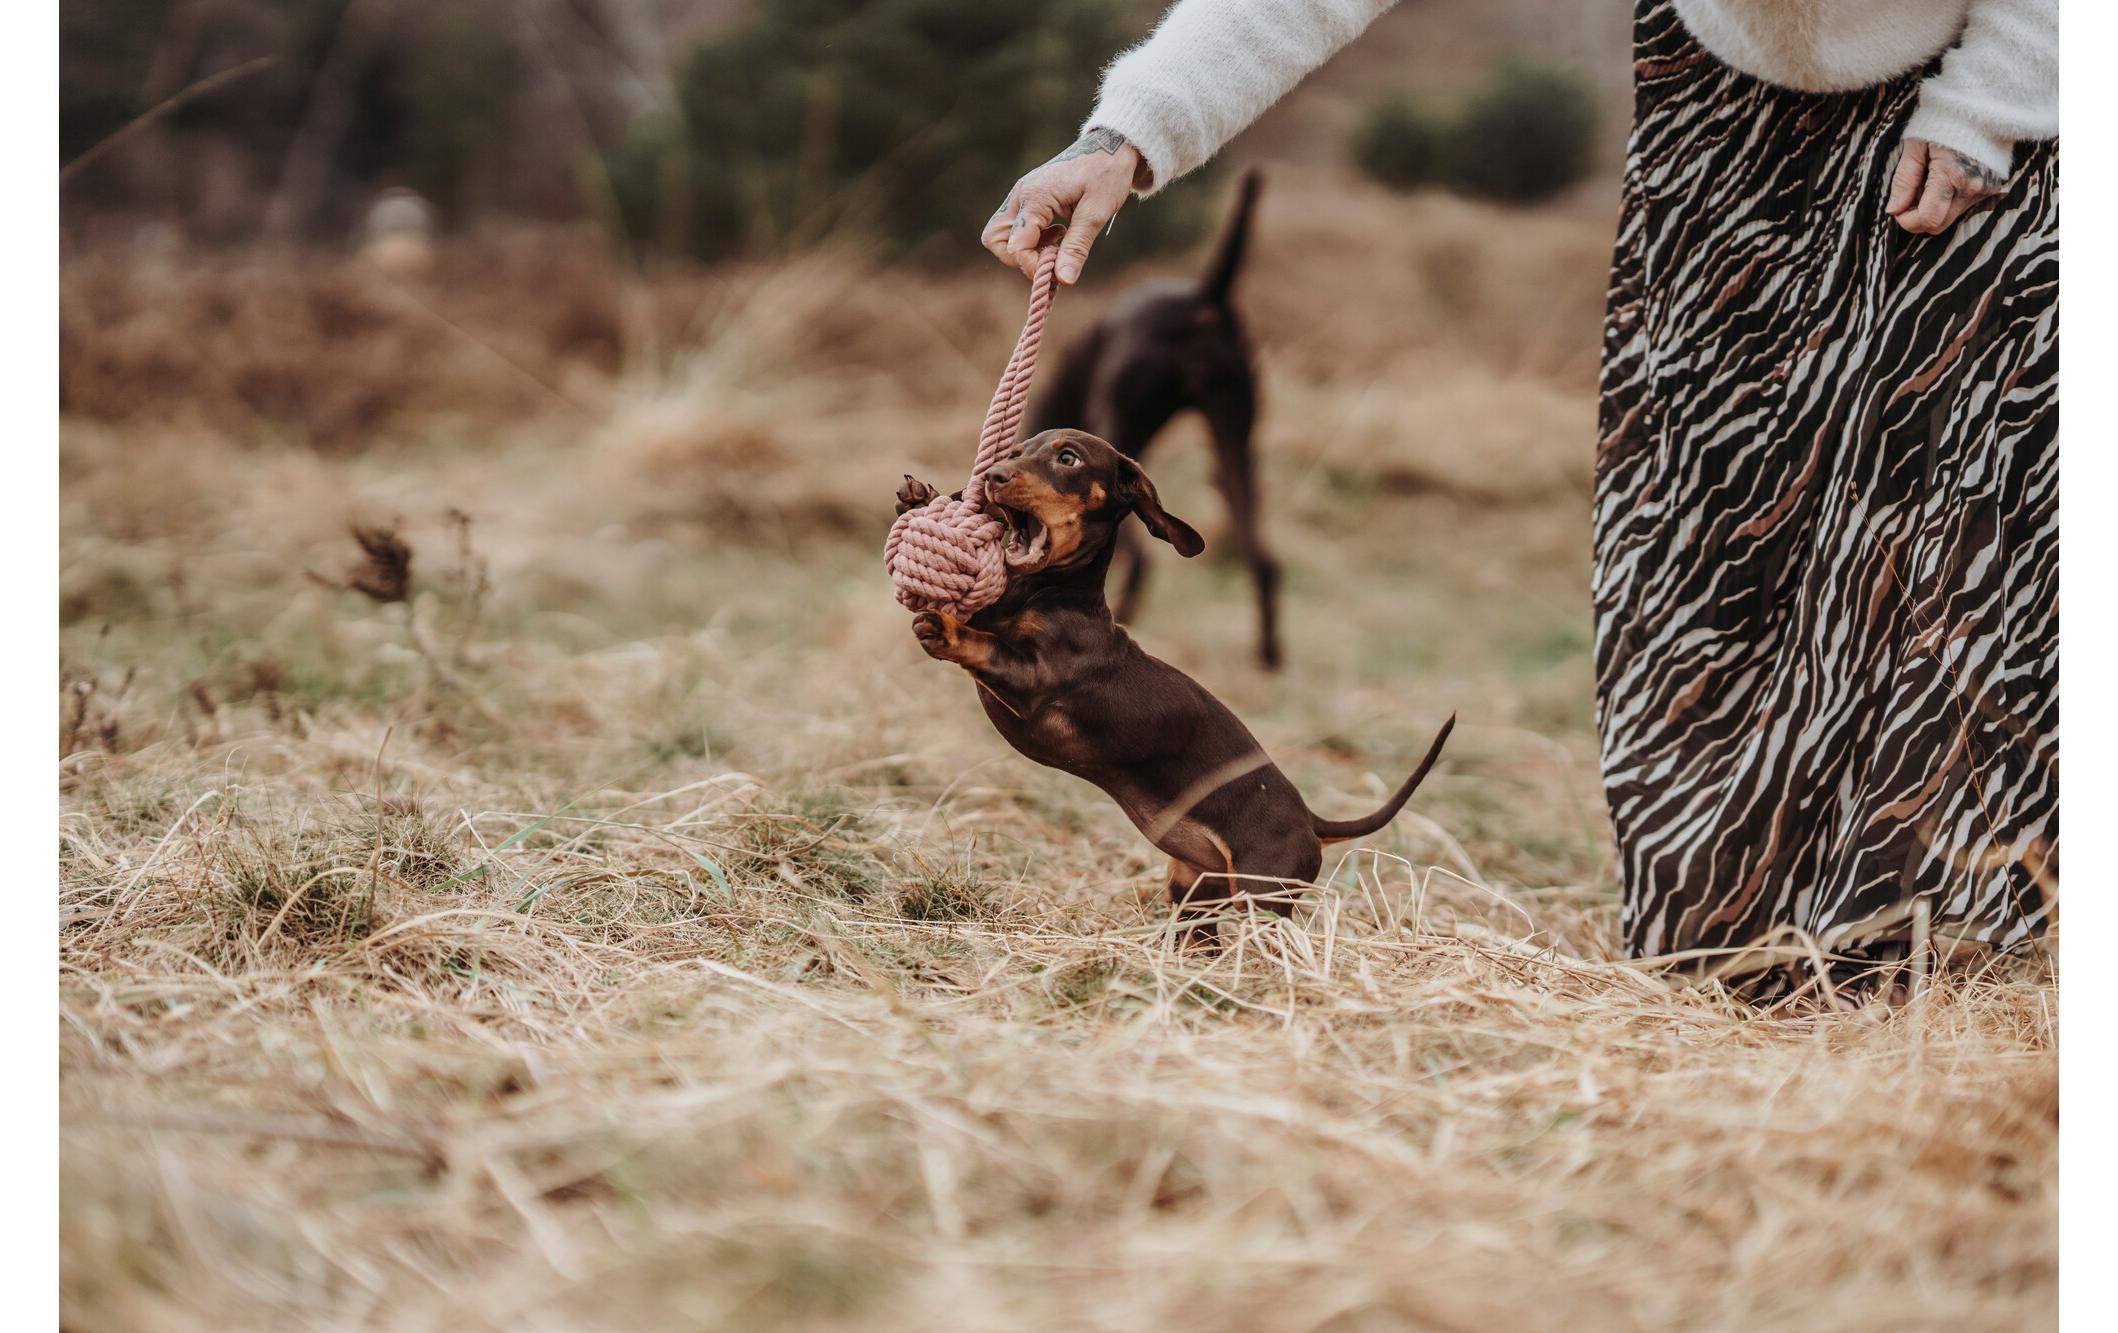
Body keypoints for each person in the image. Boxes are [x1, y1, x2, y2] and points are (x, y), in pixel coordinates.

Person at [986, 0, 2058, 980]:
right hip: (1724, 110)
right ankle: (1739, 937)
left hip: (2000, 80)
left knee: (1942, 529)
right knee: (1698, 521)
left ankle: (1938, 931)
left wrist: (1993, 104)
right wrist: (1124, 138)